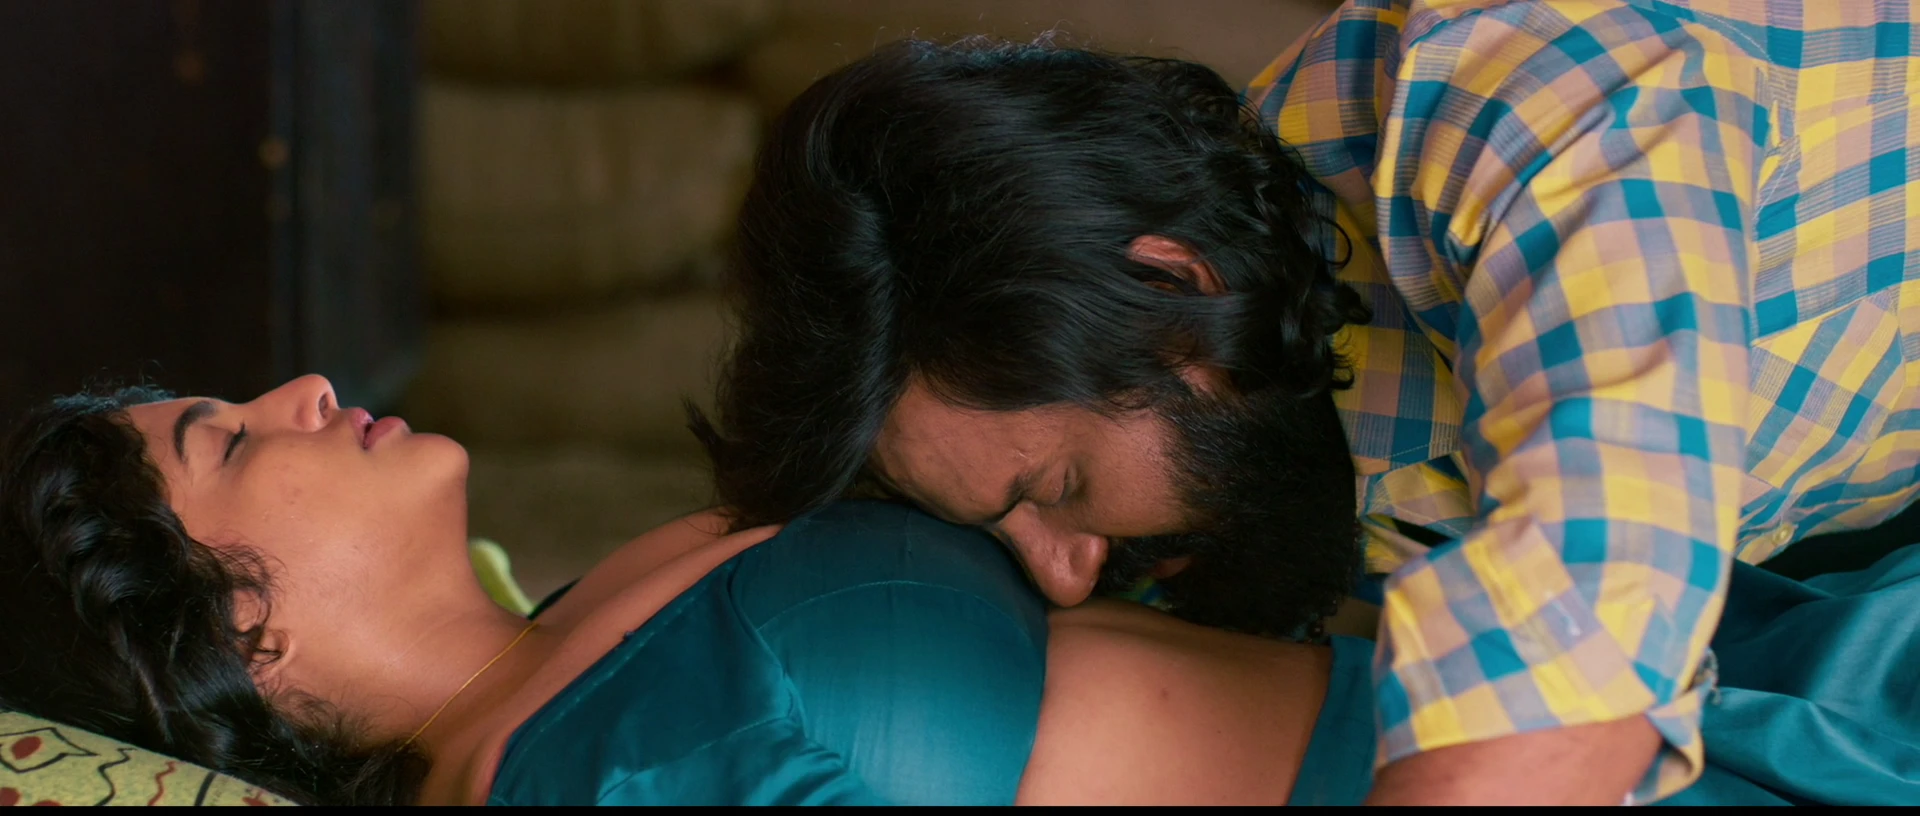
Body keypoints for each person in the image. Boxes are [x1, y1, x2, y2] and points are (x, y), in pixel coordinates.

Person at [687, 3, 1920, 805]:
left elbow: (1582, 651)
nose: (1064, 575)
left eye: (1056, 487)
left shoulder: (1536, 103)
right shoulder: (1277, 400)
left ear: (1175, 291)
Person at [5, 375, 1916, 806]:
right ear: (225, 630)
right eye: (223, 441)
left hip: (1622, 689)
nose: (298, 389)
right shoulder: (594, 784)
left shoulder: (584, 617)